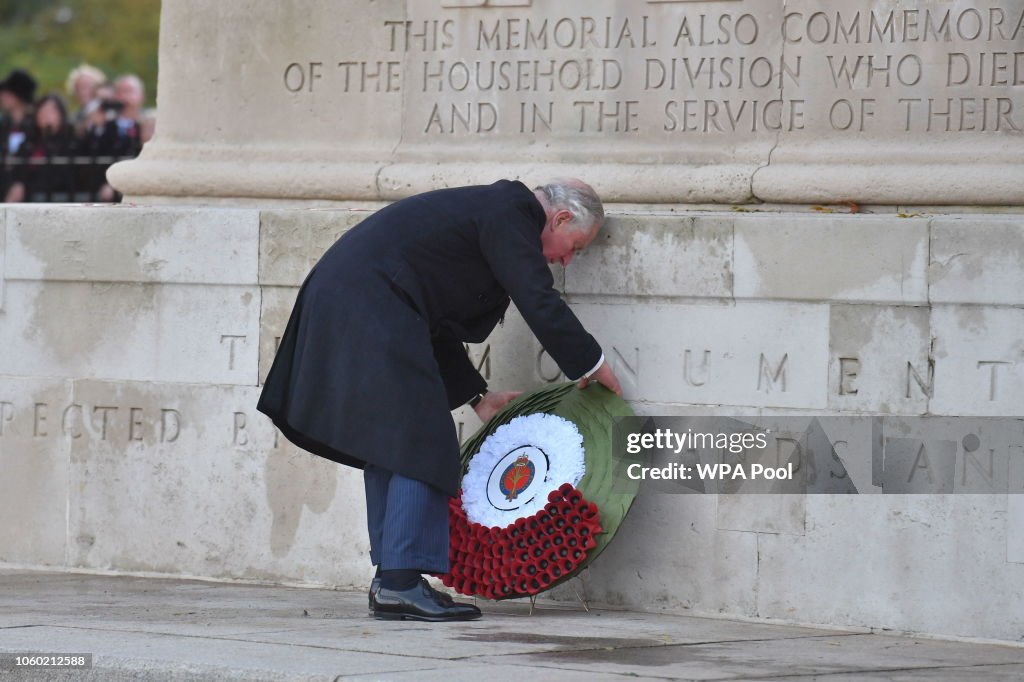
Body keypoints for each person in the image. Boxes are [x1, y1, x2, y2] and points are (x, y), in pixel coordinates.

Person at [257, 179, 622, 622]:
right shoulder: (511, 211)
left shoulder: (494, 213)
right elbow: (536, 297)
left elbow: (436, 321)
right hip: (370, 301)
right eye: (575, 247)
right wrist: (592, 364)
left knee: (393, 442)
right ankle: (400, 583)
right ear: (561, 218)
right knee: (419, 437)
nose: (565, 259)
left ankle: (393, 579)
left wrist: (479, 397)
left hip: (359, 298)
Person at [0, 69, 38, 202]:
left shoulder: (36, 124)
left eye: (7, 94)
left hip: (30, 187)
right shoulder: (4, 124)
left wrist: (20, 182)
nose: (2, 98)